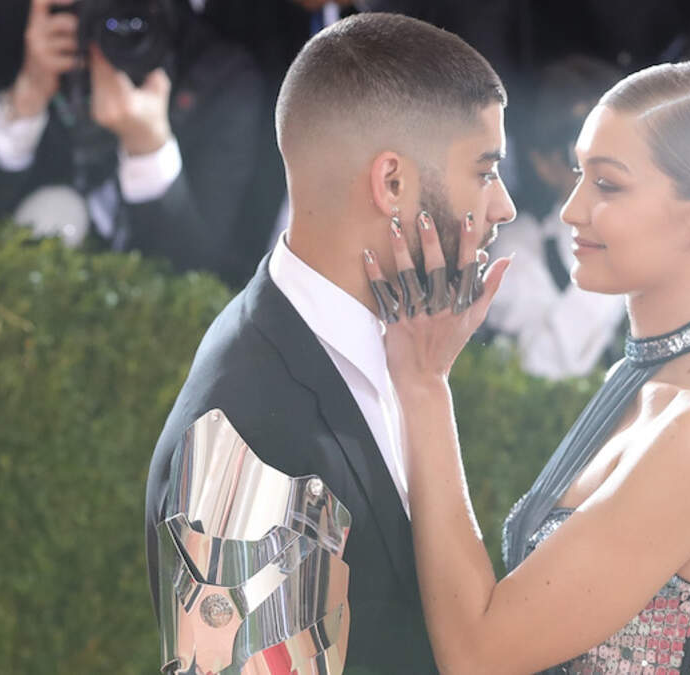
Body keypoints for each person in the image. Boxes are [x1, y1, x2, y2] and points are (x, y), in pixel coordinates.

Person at [363, 60, 690, 673]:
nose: (572, 209)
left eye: (607, 184)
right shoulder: (648, 381)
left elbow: (478, 655)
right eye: (579, 174)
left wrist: (424, 385)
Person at [144, 13, 515, 674]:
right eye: (485, 171)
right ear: (392, 183)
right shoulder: (245, 440)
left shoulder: (395, 349)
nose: (504, 206)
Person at [0, 0, 265, 285]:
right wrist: (26, 96)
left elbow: (197, 277)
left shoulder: (225, 77)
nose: (119, 27)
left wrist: (149, 148)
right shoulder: (28, 22)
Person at [486, 55, 627, 379]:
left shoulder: (670, 230)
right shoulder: (518, 250)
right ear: (543, 164)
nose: (607, 167)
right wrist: (614, 264)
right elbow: (536, 368)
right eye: (579, 152)